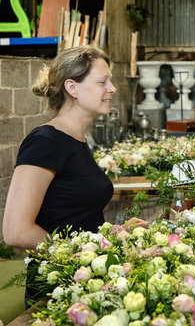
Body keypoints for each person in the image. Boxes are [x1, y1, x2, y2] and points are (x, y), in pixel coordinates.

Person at [2, 46, 146, 307]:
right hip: (59, 289)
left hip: (86, 281)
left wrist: (115, 234)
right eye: (103, 82)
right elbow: (16, 231)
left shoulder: (77, 140)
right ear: (73, 88)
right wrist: (83, 254)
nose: (112, 89)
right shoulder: (45, 142)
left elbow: (72, 217)